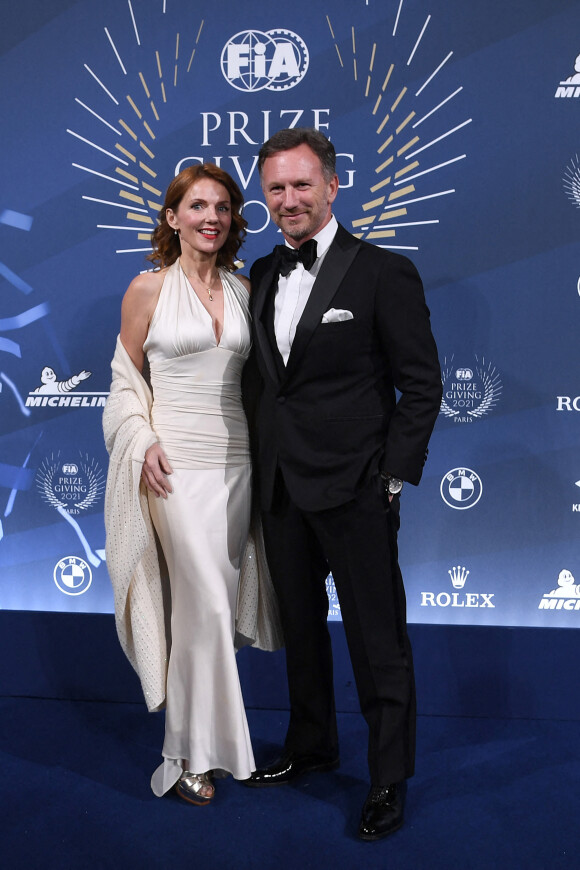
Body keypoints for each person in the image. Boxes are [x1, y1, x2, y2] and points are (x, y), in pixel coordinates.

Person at [242, 128, 442, 840]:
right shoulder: (262, 273)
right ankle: (310, 746)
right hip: (282, 489)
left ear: (332, 185)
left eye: (301, 185)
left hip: (357, 488)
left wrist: (390, 477)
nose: (288, 200)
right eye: (275, 188)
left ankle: (388, 777)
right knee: (301, 632)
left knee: (377, 638)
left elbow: (421, 385)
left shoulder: (384, 271)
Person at [103, 163, 281, 807]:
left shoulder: (242, 290)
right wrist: (142, 440)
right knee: (203, 602)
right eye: (198, 205)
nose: (212, 216)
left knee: (208, 609)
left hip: (236, 469)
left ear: (234, 220)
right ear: (172, 217)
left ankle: (194, 750)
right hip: (171, 468)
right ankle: (190, 754)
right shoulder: (146, 290)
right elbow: (126, 381)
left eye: (224, 207)